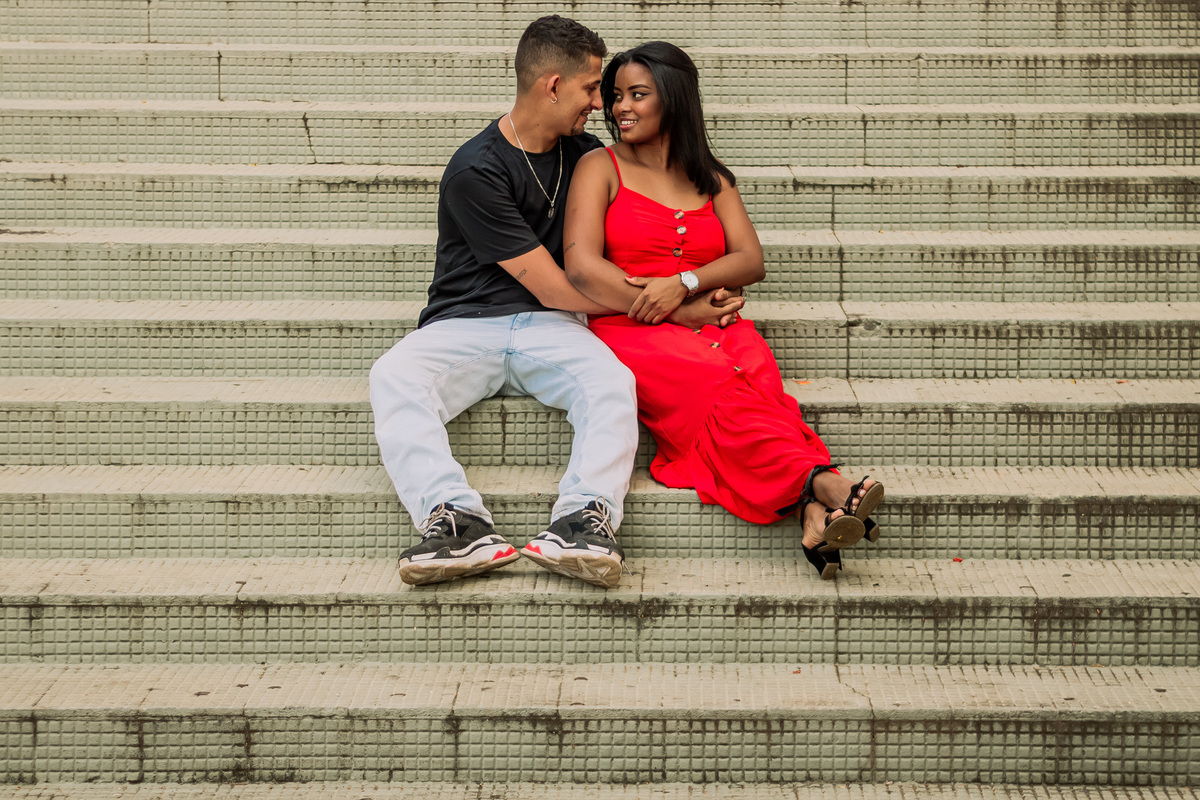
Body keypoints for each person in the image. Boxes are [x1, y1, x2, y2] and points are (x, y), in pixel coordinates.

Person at [563, 41, 886, 579]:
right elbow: (581, 267)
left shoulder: (710, 177)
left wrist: (686, 282)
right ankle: (827, 485)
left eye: (637, 95)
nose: (620, 107)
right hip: (631, 328)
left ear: (674, 100)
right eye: (616, 95)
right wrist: (672, 309)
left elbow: (749, 259)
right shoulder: (600, 166)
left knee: (761, 387)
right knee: (720, 385)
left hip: (719, 324)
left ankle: (812, 512)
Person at [370, 16, 663, 589]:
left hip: (556, 326)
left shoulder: (586, 154)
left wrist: (686, 282)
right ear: (550, 85)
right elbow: (552, 283)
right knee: (392, 375)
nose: (598, 102)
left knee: (612, 383)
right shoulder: (475, 168)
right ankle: (456, 519)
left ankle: (584, 520)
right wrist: (663, 302)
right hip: (467, 322)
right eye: (589, 87)